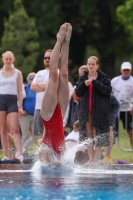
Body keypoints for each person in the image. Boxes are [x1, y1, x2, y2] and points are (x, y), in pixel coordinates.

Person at [37, 22, 72, 166]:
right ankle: (66, 41)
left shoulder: (44, 149)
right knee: (63, 74)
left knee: (54, 74)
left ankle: (60, 39)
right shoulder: (59, 152)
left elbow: (45, 166)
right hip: (60, 114)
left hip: (48, 115)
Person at [73, 56, 112, 166]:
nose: (91, 66)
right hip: (86, 111)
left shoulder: (103, 78)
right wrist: (84, 85)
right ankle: (91, 159)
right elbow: (78, 92)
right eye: (89, 64)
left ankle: (96, 159)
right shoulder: (83, 78)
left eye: (93, 64)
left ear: (97, 65)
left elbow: (108, 91)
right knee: (88, 135)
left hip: (99, 111)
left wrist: (95, 83)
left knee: (98, 134)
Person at [23, 50, 52, 150]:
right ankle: (40, 153)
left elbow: (52, 86)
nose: (47, 59)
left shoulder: (56, 72)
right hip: (38, 107)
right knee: (37, 134)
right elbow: (32, 87)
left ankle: (49, 154)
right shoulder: (40, 72)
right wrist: (45, 85)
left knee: (48, 133)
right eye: (45, 58)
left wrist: (39, 85)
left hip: (50, 108)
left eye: (49, 58)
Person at [0, 51, 23, 162]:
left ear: (13, 60)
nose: (8, 61)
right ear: (3, 60)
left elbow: (20, 90)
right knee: (3, 128)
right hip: (1, 100)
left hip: (13, 100)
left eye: (10, 59)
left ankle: (19, 153)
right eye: (6, 59)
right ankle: (6, 154)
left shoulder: (17, 73)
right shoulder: (0, 72)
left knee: (14, 128)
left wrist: (20, 106)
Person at [111, 62, 133, 147]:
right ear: (121, 70)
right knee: (113, 130)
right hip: (115, 109)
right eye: (124, 70)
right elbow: (109, 93)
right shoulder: (115, 80)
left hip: (128, 109)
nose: (126, 71)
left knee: (130, 130)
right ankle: (108, 154)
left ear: (130, 70)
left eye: (127, 70)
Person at [19, 72, 36, 154]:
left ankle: (22, 149)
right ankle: (23, 154)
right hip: (25, 115)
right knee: (24, 135)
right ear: (28, 80)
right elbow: (20, 99)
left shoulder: (39, 89)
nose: (32, 80)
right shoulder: (25, 88)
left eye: (34, 78)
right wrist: (22, 109)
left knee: (35, 135)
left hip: (36, 115)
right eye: (31, 78)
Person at [103, 94, 120, 164]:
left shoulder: (110, 97)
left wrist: (111, 122)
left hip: (108, 111)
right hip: (97, 111)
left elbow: (116, 104)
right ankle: (94, 157)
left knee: (110, 129)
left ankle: (107, 156)